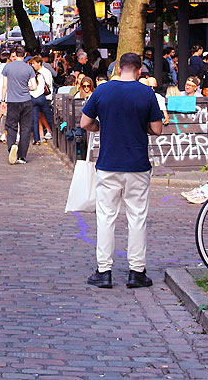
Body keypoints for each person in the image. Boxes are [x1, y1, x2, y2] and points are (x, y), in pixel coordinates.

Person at [80, 52, 163, 289]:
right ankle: (136, 271)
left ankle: (104, 270)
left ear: (117, 69)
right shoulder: (147, 93)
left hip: (108, 163)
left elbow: (85, 123)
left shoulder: (103, 90)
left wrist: (102, 125)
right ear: (139, 71)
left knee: (106, 216)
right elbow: (156, 128)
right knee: (137, 217)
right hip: (137, 163)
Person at [2, 46, 38, 165]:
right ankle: (22, 156)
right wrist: (26, 88)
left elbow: (4, 86)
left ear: (15, 54)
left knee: (11, 126)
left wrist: (3, 100)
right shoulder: (29, 68)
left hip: (12, 101)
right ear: (24, 55)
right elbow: (34, 86)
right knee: (25, 129)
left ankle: (12, 146)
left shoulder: (7, 67)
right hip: (26, 101)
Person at [30, 56, 54, 143]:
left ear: (39, 63)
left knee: (36, 118)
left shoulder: (43, 73)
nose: (33, 65)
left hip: (35, 97)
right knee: (47, 116)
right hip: (42, 97)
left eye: (34, 63)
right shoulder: (41, 74)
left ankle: (37, 138)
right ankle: (50, 132)